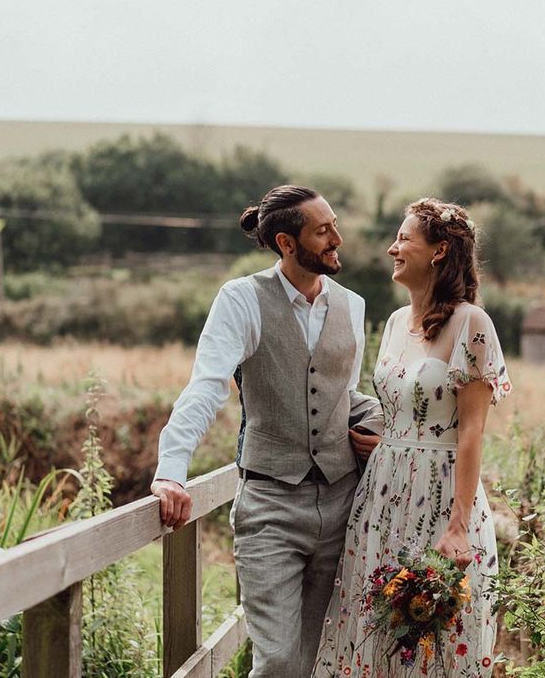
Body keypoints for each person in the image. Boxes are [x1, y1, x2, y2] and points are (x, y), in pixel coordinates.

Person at [151, 184, 383, 678]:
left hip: (343, 503)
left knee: (320, 659)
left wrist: (380, 424)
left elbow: (342, 394)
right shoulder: (241, 300)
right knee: (277, 660)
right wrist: (172, 470)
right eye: (323, 231)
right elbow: (207, 387)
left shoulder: (354, 306)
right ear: (286, 243)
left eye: (334, 225)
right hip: (270, 506)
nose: (337, 238)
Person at [312, 198, 512, 677]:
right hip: (381, 499)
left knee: (434, 639)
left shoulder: (472, 324)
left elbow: (470, 433)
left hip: (443, 499)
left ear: (439, 251)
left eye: (403, 239)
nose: (392, 248)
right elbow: (400, 410)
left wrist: (458, 525)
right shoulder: (396, 323)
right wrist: (393, 443)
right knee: (375, 628)